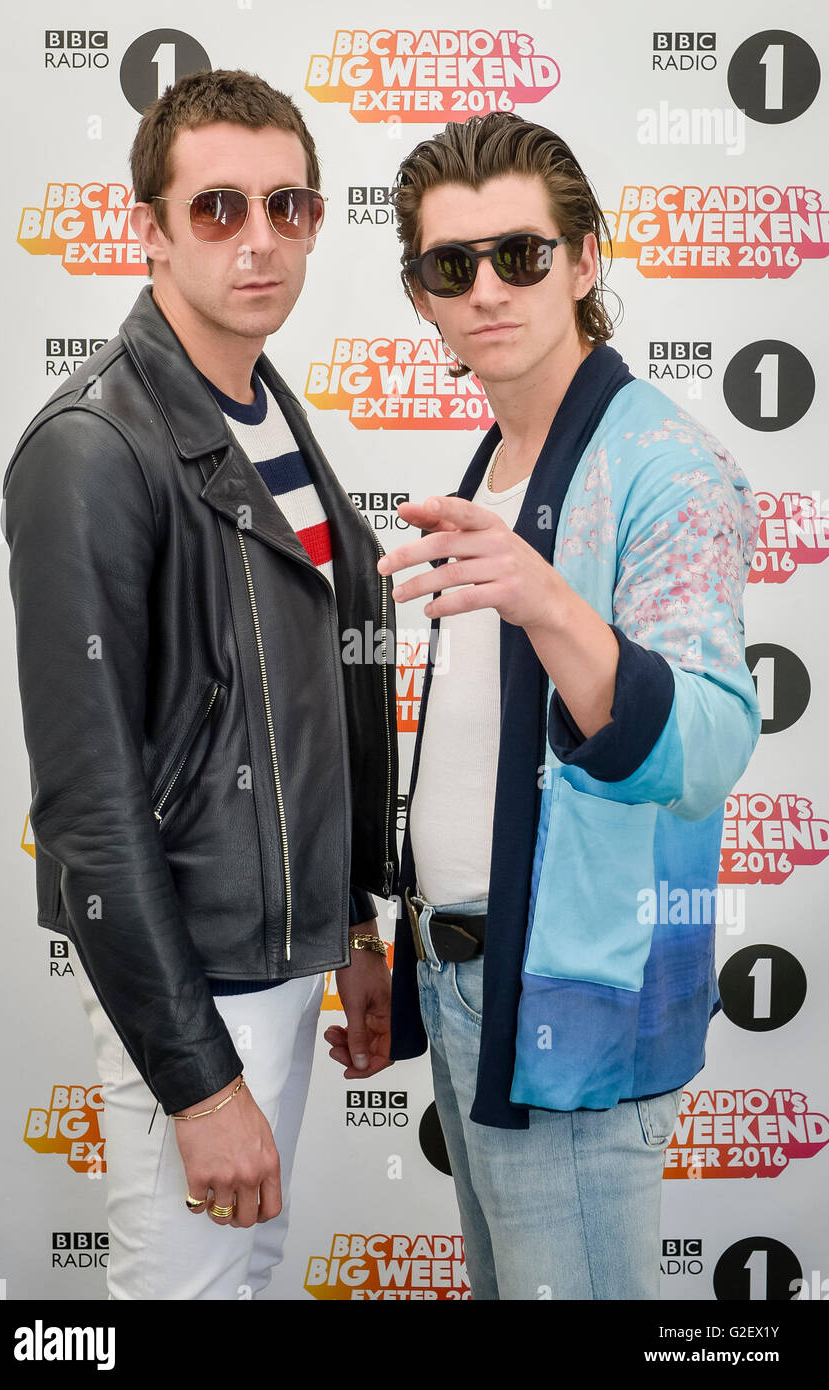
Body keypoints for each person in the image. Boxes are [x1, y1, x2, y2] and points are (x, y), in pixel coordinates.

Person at [3, 68, 398, 1301]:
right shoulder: (93, 448)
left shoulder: (265, 411)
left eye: (289, 206)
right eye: (218, 208)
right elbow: (87, 803)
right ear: (150, 229)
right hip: (200, 990)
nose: (261, 239)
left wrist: (352, 928)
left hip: (282, 959)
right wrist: (198, 1077)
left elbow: (304, 714)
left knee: (245, 1276)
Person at [381, 112, 760, 1300]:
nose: (488, 287)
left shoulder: (666, 467)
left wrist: (551, 604)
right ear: (424, 298)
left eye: (522, 254)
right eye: (453, 267)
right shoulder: (493, 459)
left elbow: (705, 742)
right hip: (463, 987)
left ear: (584, 261)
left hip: (571, 1002)